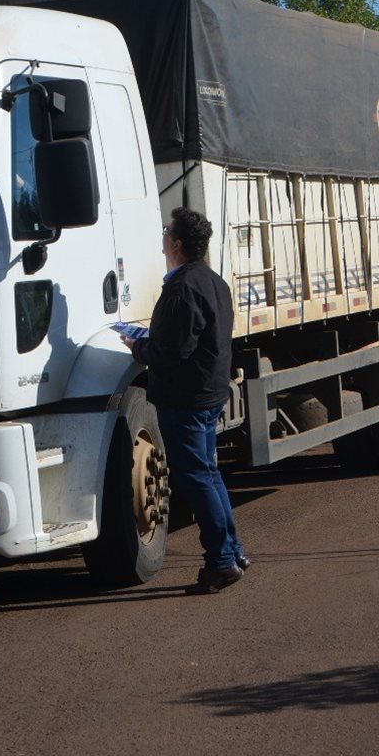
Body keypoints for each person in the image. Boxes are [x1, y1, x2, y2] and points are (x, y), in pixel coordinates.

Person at [124, 207, 248, 595]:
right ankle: (233, 552)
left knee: (197, 478)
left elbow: (173, 350)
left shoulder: (182, 288)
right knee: (208, 474)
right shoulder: (212, 280)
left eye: (166, 232)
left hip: (186, 398)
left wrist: (137, 347)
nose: (162, 237)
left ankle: (222, 563)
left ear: (176, 244)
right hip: (207, 392)